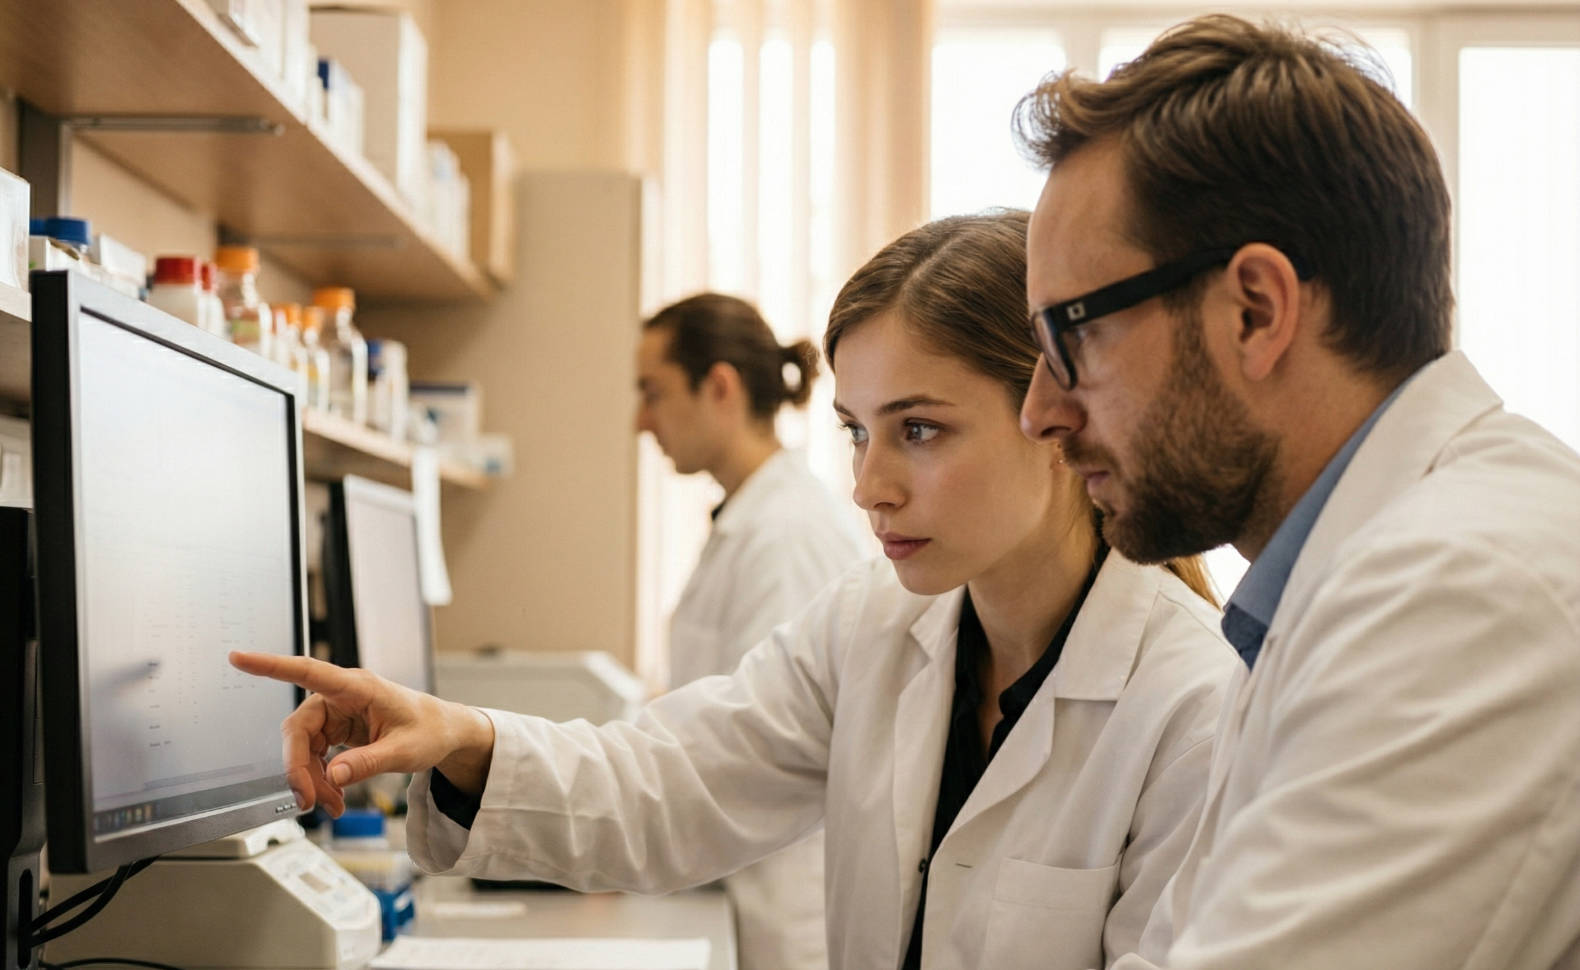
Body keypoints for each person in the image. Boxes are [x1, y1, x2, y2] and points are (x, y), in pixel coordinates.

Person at [233, 211, 1239, 970]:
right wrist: (458, 738)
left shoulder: (1189, 704)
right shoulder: (877, 626)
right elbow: (672, 780)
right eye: (856, 430)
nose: (867, 485)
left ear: (1054, 412)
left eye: (918, 429)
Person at [1013, 15, 1580, 969]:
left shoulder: (1461, 592)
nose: (1041, 413)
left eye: (1072, 336)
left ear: (1256, 311)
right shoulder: (1334, 581)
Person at [634, 292, 868, 970]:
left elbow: (762, 750)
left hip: (786, 914)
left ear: (720, 387)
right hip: (744, 888)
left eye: (653, 392)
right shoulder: (752, 519)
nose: (640, 420)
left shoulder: (786, 534)